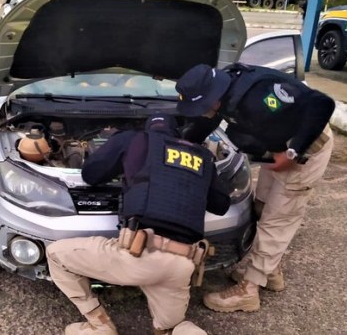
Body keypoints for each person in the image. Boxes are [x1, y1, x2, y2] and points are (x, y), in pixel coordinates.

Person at [46, 114, 231, 335]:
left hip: (138, 257)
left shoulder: (134, 140)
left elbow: (91, 174)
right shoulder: (203, 156)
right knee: (172, 327)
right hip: (182, 264)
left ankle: (99, 324)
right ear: (176, 133)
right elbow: (221, 205)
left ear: (147, 129)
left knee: (55, 254)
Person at [174, 63, 335, 313]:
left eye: (200, 106)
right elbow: (208, 121)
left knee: (278, 218)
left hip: (304, 152)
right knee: (260, 207)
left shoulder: (261, 94)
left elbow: (322, 103)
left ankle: (249, 290)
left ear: (213, 97)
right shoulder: (223, 91)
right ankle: (271, 272)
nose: (200, 112)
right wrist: (180, 142)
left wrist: (294, 151)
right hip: (277, 152)